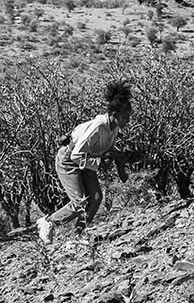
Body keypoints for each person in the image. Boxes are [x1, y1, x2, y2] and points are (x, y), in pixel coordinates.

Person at [37, 81, 132, 243]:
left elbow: (107, 148)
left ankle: (78, 235)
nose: (128, 121)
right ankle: (48, 222)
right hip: (69, 161)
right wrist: (99, 164)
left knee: (95, 198)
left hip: (87, 160)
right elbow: (76, 155)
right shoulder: (99, 126)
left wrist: (120, 163)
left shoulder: (113, 128)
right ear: (114, 114)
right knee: (79, 201)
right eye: (125, 117)